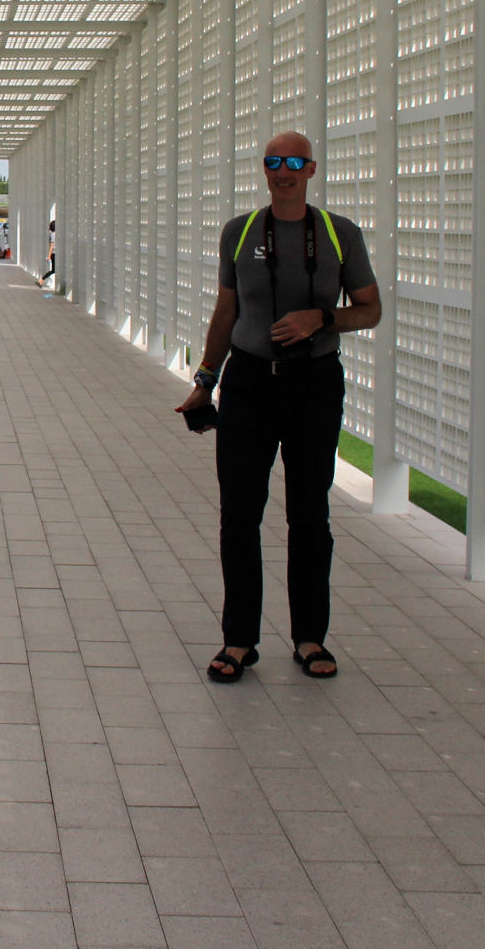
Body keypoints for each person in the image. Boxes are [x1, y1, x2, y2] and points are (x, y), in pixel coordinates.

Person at [174, 131, 381, 684]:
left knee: (309, 514)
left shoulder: (339, 234)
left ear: (311, 170)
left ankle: (310, 636)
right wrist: (206, 380)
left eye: (293, 162)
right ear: (264, 170)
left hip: (315, 384)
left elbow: (370, 309)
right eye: (273, 162)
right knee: (239, 514)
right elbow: (226, 311)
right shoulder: (239, 232)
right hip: (248, 384)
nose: (282, 172)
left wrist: (322, 317)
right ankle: (239, 639)